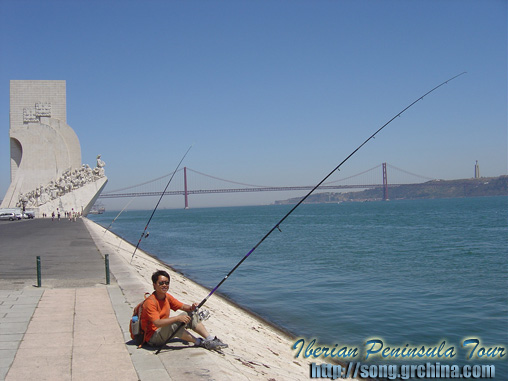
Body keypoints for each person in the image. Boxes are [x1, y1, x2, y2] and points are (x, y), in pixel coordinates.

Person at [140, 270, 227, 350]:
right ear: (154, 285)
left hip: (162, 331)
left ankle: (210, 339)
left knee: (190, 313)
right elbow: (157, 323)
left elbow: (182, 306)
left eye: (167, 283)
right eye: (161, 283)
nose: (164, 285)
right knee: (173, 324)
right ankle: (200, 342)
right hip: (152, 338)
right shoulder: (150, 302)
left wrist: (192, 307)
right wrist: (177, 319)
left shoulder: (167, 297)